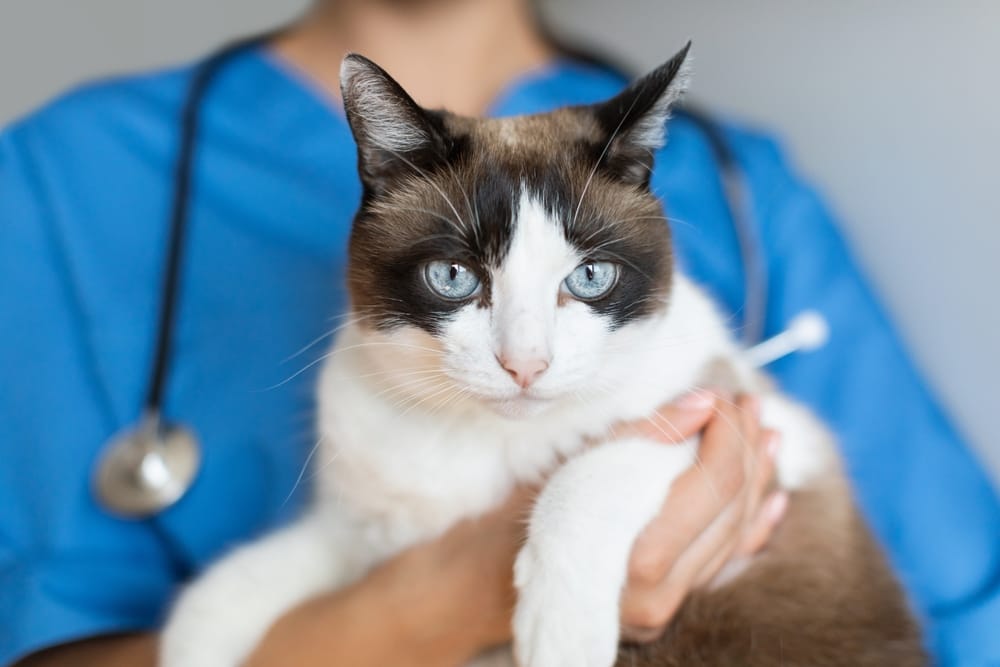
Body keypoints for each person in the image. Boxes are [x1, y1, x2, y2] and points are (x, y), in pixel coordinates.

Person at [1, 1, 997, 665]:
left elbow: (967, 595)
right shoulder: (63, 177)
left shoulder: (745, 185)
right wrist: (433, 603)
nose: (524, 353)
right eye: (451, 276)